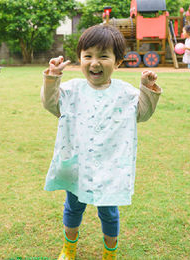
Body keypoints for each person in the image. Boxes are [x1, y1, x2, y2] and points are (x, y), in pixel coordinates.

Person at [41, 24, 161, 259]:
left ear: (118, 62)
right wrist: (53, 78)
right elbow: (51, 104)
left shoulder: (125, 93)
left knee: (109, 212)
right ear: (80, 58)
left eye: (103, 56)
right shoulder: (72, 89)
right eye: (88, 56)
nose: (94, 62)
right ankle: (69, 247)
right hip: (77, 163)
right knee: (73, 207)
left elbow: (142, 114)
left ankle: (110, 253)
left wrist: (147, 89)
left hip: (110, 166)